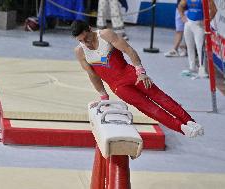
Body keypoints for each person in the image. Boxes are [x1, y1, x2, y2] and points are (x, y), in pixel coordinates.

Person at [71, 20, 204, 138]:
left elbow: (129, 50)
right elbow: (92, 75)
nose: (85, 42)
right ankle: (181, 128)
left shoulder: (105, 34)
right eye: (80, 40)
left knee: (160, 97)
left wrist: (141, 71)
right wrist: (103, 97)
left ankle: (189, 121)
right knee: (149, 108)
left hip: (132, 74)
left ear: (89, 29)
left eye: (86, 38)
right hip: (119, 87)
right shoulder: (80, 51)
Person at [178, 0, 217, 78]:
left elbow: (214, 10)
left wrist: (207, 21)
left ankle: (202, 69)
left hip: (199, 25)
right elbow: (180, 6)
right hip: (188, 24)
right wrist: (182, 16)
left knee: (200, 48)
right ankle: (192, 67)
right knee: (189, 47)